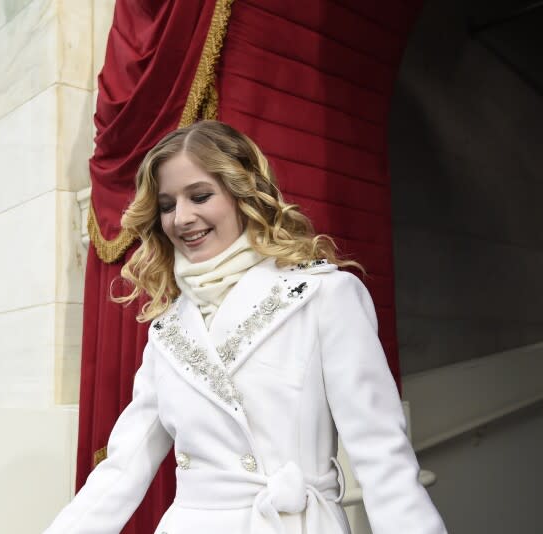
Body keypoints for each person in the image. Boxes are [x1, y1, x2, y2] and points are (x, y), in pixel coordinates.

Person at [44, 121, 446, 533]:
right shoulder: (166, 331)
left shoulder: (325, 296)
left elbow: (382, 455)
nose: (182, 218)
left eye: (200, 196)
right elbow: (122, 468)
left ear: (242, 194)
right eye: (167, 205)